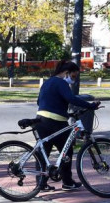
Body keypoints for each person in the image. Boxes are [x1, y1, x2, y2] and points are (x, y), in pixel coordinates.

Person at [34, 60, 100, 191]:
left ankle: (41, 184)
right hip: (56, 122)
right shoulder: (61, 82)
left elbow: (39, 101)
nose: (74, 80)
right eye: (73, 76)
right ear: (66, 73)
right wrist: (90, 105)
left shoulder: (48, 82)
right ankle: (68, 182)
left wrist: (64, 112)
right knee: (67, 151)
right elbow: (71, 98)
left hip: (41, 120)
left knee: (43, 153)